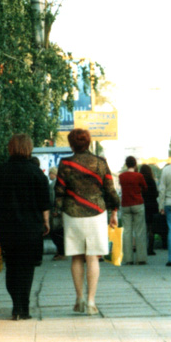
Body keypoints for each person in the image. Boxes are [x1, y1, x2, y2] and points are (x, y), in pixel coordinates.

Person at [0, 134, 51, 320]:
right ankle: (24, 306)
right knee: (27, 267)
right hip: (31, 227)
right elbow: (44, 202)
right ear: (28, 149)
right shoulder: (36, 173)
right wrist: (45, 222)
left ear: (11, 148)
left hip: (7, 227)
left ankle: (16, 306)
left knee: (12, 266)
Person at [54, 128, 119, 314]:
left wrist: (57, 211)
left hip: (72, 213)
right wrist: (114, 210)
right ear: (88, 143)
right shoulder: (100, 163)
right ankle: (91, 301)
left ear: (71, 144)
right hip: (96, 213)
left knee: (76, 256)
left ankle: (79, 298)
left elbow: (59, 190)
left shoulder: (65, 163)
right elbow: (110, 189)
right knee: (92, 257)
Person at [118, 156, 151, 264]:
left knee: (127, 232)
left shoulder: (121, 176)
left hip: (125, 204)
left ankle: (128, 259)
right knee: (140, 231)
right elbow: (145, 188)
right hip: (137, 203)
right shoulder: (139, 176)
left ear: (126, 164)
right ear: (135, 164)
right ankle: (141, 258)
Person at [139, 164, 159, 255]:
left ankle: (142, 248)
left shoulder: (140, 181)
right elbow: (156, 194)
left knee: (143, 229)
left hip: (143, 205)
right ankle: (150, 249)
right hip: (152, 206)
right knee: (151, 228)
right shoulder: (152, 181)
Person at [47, 167, 65, 260]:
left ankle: (61, 252)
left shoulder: (54, 184)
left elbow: (55, 198)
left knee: (56, 232)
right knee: (58, 232)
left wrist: (56, 210)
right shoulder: (55, 183)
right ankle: (60, 251)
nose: (49, 175)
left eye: (50, 173)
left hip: (55, 212)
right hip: (56, 211)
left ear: (54, 174)